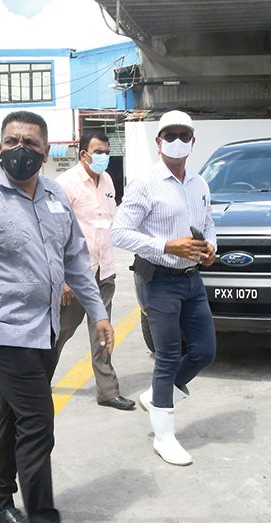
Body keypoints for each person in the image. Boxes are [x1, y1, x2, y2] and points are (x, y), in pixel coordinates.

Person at [0, 111, 114, 523]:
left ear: (46, 153)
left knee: (13, 416)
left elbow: (75, 260)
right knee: (37, 419)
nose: (20, 150)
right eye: (12, 141)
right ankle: (42, 514)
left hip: (44, 329)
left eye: (30, 143)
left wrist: (98, 313)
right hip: (0, 330)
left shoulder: (54, 194)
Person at [111, 110, 217, 466]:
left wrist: (210, 249)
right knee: (168, 355)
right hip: (159, 280)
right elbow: (119, 232)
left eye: (182, 134)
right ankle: (164, 436)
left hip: (192, 279)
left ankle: (160, 396)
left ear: (192, 141)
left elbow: (209, 224)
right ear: (158, 142)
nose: (176, 140)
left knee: (205, 350)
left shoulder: (200, 184)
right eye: (168, 134)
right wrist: (167, 246)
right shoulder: (145, 184)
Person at [54, 132, 134, 411]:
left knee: (103, 334)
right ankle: (36, 380)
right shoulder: (64, 184)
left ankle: (107, 392)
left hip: (104, 271)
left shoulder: (109, 181)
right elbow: (55, 233)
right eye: (98, 152)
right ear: (83, 154)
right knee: (60, 331)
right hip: (76, 275)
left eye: (106, 151)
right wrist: (63, 278)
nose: (103, 156)